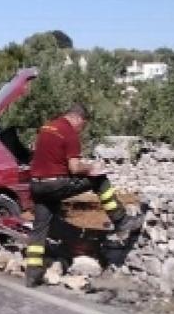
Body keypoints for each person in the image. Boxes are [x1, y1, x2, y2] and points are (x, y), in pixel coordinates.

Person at [25, 103, 143, 287]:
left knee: (39, 229)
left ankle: (32, 274)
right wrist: (92, 168)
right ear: (78, 118)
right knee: (100, 180)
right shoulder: (69, 133)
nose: (81, 129)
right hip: (55, 184)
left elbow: (43, 155)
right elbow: (74, 167)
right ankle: (121, 220)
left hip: (37, 185)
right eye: (83, 125)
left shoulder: (47, 127)